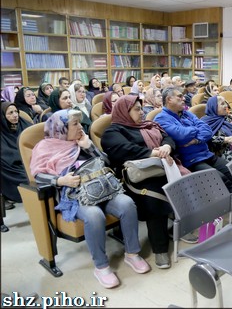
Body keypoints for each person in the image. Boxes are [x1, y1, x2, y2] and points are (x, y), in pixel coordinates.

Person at [31, 109, 150, 288]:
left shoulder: (82, 141)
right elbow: (37, 175)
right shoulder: (45, 147)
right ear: (61, 128)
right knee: (95, 215)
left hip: (102, 189)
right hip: (74, 196)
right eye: (75, 124)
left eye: (80, 123)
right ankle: (101, 266)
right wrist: (60, 180)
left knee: (127, 204)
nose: (80, 127)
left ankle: (132, 254)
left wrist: (89, 147)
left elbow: (106, 162)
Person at [101, 95, 188, 269]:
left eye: (141, 108)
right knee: (154, 197)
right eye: (136, 109)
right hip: (136, 178)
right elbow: (124, 149)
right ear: (124, 112)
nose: (142, 112)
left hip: (161, 168)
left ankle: (183, 225)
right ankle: (160, 249)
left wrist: (166, 147)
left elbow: (167, 137)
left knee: (182, 182)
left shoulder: (150, 125)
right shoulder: (114, 132)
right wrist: (153, 153)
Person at [154, 88, 232, 213]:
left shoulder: (186, 113)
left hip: (207, 154)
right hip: (191, 160)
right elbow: (181, 135)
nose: (184, 99)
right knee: (222, 179)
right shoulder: (161, 118)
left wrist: (195, 139)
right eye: (179, 96)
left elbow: (207, 131)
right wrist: (196, 128)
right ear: (169, 99)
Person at [1, 102, 31, 206]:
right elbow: (5, 154)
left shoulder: (24, 125)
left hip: (29, 161)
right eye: (10, 113)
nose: (15, 115)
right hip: (12, 165)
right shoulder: (2, 131)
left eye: (16, 112)